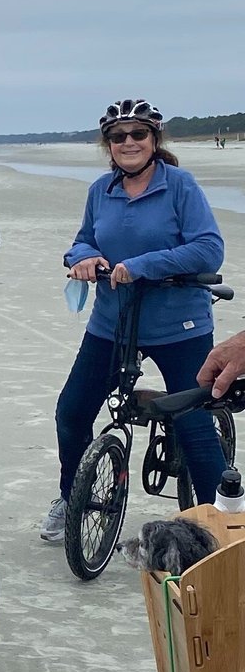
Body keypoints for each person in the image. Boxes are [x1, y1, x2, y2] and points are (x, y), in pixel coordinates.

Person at [40, 98, 225, 542]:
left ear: (154, 140)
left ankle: (223, 525)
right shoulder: (100, 191)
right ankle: (73, 496)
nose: (128, 142)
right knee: (72, 411)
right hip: (112, 321)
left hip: (179, 324)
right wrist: (83, 258)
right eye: (118, 136)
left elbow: (209, 248)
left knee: (194, 424)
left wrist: (144, 264)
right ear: (108, 145)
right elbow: (82, 241)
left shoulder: (180, 185)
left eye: (138, 134)